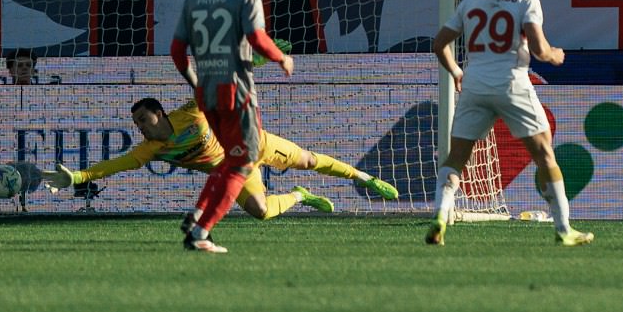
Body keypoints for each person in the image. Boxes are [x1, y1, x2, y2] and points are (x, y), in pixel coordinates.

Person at [427, 0, 593, 247]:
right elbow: (541, 50)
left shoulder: (472, 1)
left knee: (457, 157)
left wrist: (456, 72)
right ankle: (564, 228)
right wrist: (556, 55)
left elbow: (439, 44)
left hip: (475, 83)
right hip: (512, 84)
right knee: (544, 154)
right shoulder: (527, 1)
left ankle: (440, 214)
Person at [39, 96, 399, 217]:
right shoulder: (152, 149)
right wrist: (79, 178)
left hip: (252, 143)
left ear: (160, 115)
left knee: (307, 159)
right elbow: (114, 165)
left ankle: (364, 178)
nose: (141, 127)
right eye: (136, 123)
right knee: (260, 212)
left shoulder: (192, 114)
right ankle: (300, 196)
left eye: (144, 119)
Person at [170, 0, 293, 254]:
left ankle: (198, 215)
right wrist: (281, 58)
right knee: (243, 163)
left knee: (230, 160)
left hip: (207, 93)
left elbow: (177, 51)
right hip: (236, 92)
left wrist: (195, 81)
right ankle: (201, 231)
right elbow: (257, 37)